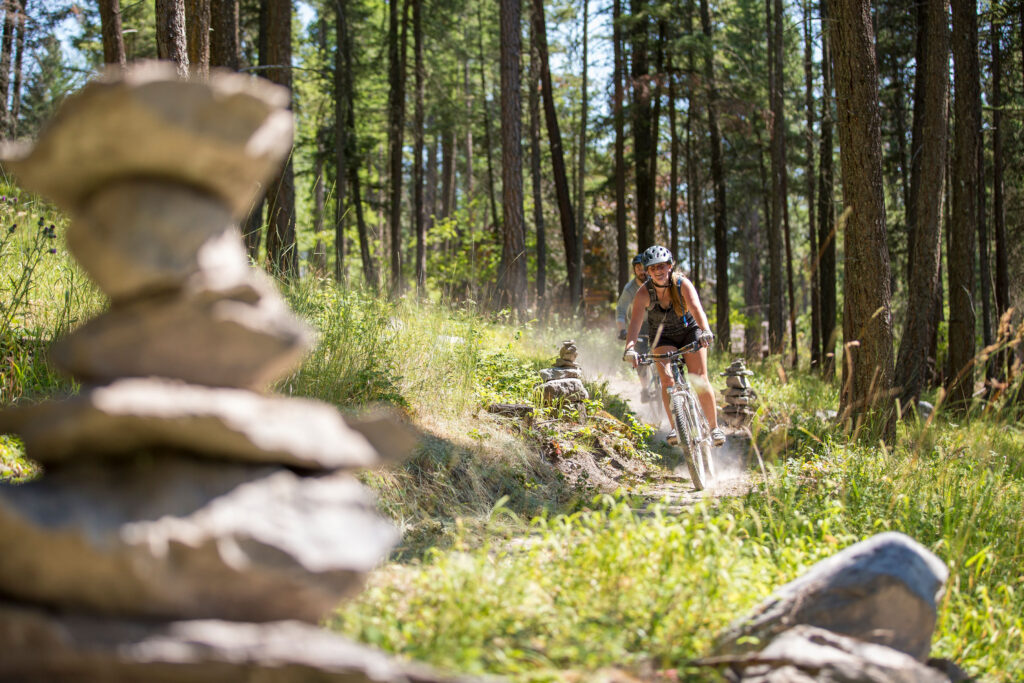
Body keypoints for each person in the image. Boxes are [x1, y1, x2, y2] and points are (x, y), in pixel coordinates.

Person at [622, 245, 726, 447]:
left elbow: (697, 308)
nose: (658, 272)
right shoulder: (643, 293)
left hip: (690, 332)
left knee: (700, 379)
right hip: (663, 337)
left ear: (670, 266)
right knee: (667, 381)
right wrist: (630, 348)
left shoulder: (682, 284)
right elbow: (634, 323)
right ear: (647, 271)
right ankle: (675, 428)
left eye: (662, 266)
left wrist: (705, 331)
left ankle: (714, 428)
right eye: (653, 269)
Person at [616, 254, 653, 401]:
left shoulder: (655, 282)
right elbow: (621, 310)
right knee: (639, 358)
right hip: (637, 326)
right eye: (639, 268)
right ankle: (645, 389)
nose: (642, 271)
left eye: (644, 268)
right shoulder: (630, 289)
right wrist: (622, 330)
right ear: (634, 270)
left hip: (656, 322)